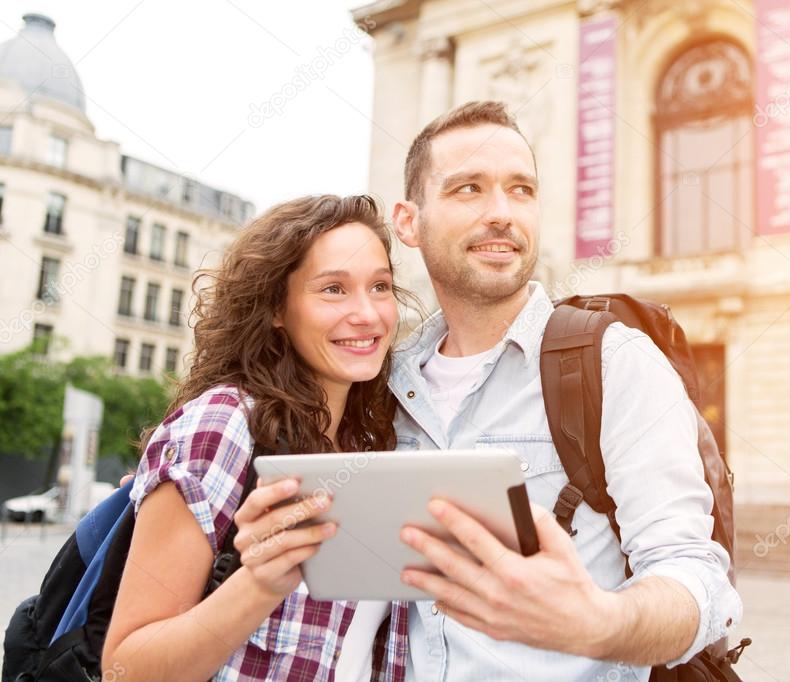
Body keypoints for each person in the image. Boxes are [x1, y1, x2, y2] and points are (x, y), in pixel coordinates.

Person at [237, 100, 744, 681]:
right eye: (469, 189)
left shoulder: (613, 361)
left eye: (521, 189)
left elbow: (697, 577)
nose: (502, 213)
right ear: (409, 222)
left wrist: (598, 622)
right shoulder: (378, 384)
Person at [101, 195, 411, 682]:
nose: (368, 314)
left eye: (381, 287)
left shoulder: (375, 445)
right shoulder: (223, 424)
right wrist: (259, 583)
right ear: (276, 309)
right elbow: (129, 667)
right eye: (333, 289)